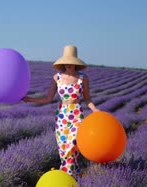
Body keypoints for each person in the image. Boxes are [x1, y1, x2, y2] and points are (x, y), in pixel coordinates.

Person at [22, 45, 100, 178]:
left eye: (71, 62)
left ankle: (64, 178)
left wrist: (95, 110)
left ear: (75, 63)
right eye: (66, 62)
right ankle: (76, 177)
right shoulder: (57, 78)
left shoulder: (83, 78)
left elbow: (87, 99)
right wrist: (29, 99)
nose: (68, 64)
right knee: (64, 151)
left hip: (77, 115)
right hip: (62, 116)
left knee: (71, 146)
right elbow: (47, 98)